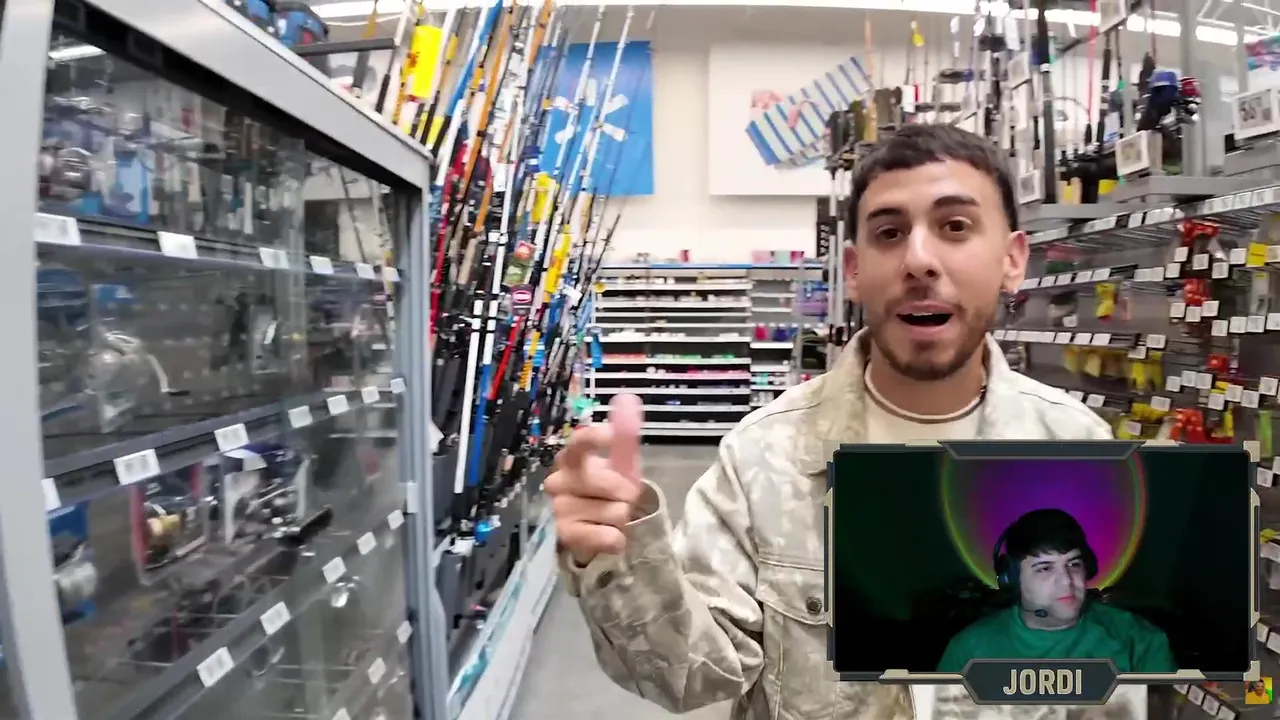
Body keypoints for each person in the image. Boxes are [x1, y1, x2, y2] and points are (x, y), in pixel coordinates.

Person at [546, 124, 1124, 720]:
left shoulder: (1078, 449)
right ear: (853, 269)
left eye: (955, 226)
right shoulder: (763, 455)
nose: (919, 260)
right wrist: (618, 555)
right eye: (889, 233)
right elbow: (689, 673)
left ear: (1012, 259)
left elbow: (1104, 690)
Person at [938, 508, 1176, 673]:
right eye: (1045, 568)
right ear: (1013, 580)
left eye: (1073, 564)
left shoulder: (1140, 642)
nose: (1066, 581)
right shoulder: (968, 651)